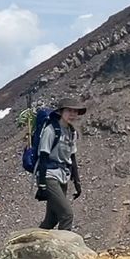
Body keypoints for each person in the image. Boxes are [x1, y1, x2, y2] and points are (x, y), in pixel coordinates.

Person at [36, 99, 86, 231]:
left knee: (52, 218)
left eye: (75, 111)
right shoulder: (51, 130)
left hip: (63, 175)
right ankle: (64, 247)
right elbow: (43, 156)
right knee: (66, 214)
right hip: (49, 175)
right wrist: (41, 184)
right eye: (69, 110)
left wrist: (77, 182)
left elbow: (72, 157)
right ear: (60, 112)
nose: (72, 114)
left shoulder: (72, 132)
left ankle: (33, 243)